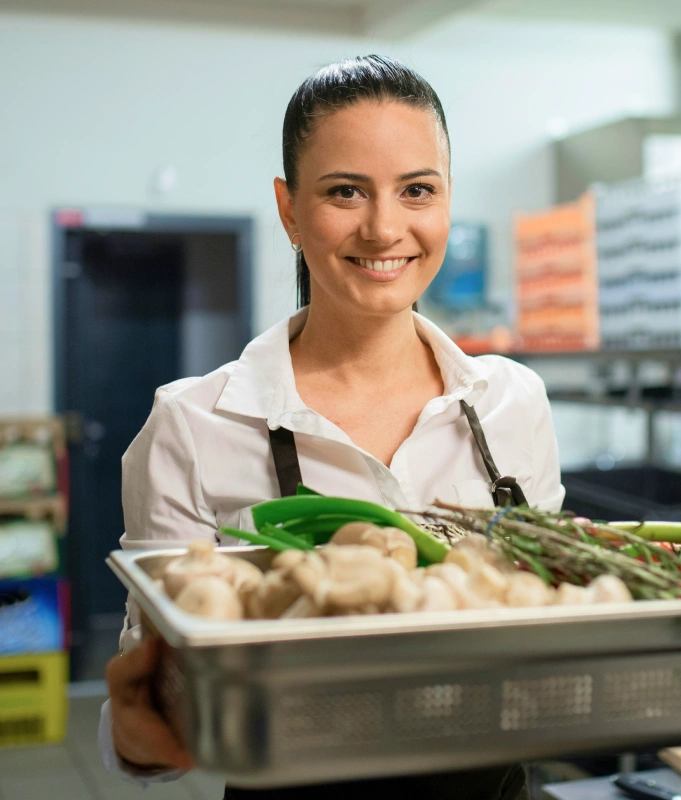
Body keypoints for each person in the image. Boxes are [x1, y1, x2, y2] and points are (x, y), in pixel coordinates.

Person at [100, 54, 564, 800]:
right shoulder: (192, 425)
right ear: (288, 210)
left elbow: (547, 638)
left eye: (417, 190)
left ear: (447, 201)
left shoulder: (514, 403)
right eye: (345, 191)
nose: (384, 228)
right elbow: (155, 703)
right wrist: (146, 734)